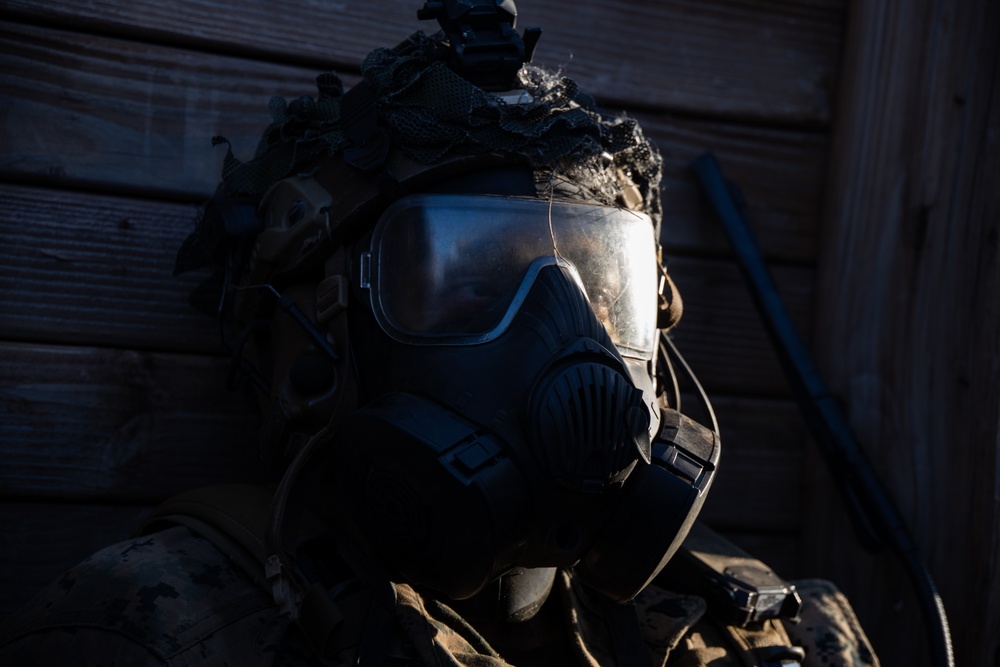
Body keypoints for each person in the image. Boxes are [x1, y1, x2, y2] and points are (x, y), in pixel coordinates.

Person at [0, 2, 880, 665]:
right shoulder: (155, 629)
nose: (570, 335)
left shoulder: (777, 628)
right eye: (469, 280)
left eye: (602, 287)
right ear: (313, 350)